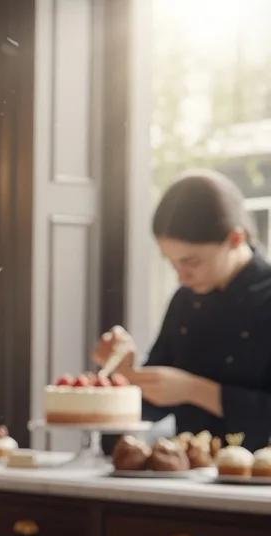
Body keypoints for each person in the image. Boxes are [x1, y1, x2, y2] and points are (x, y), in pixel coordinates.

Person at [94, 170, 271, 446]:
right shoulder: (184, 300)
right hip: (186, 475)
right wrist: (126, 374)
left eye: (192, 262)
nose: (181, 276)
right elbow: (149, 409)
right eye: (172, 263)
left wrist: (195, 391)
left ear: (235, 239)